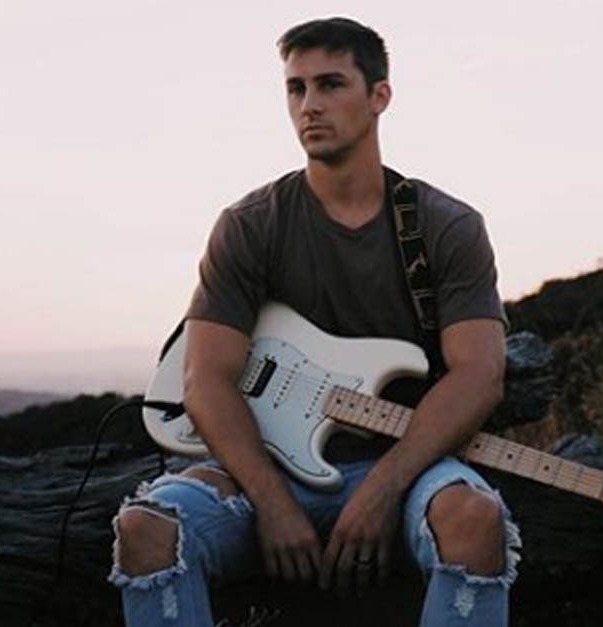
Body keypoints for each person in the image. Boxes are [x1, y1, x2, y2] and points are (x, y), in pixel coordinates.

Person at [109, 17, 520, 626]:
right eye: (296, 88)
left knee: (476, 520)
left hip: (403, 465)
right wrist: (272, 503)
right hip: (260, 468)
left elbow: (479, 375)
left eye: (330, 84)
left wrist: (383, 488)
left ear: (379, 96)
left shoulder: (444, 225)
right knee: (146, 530)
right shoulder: (251, 224)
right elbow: (205, 379)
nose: (309, 106)